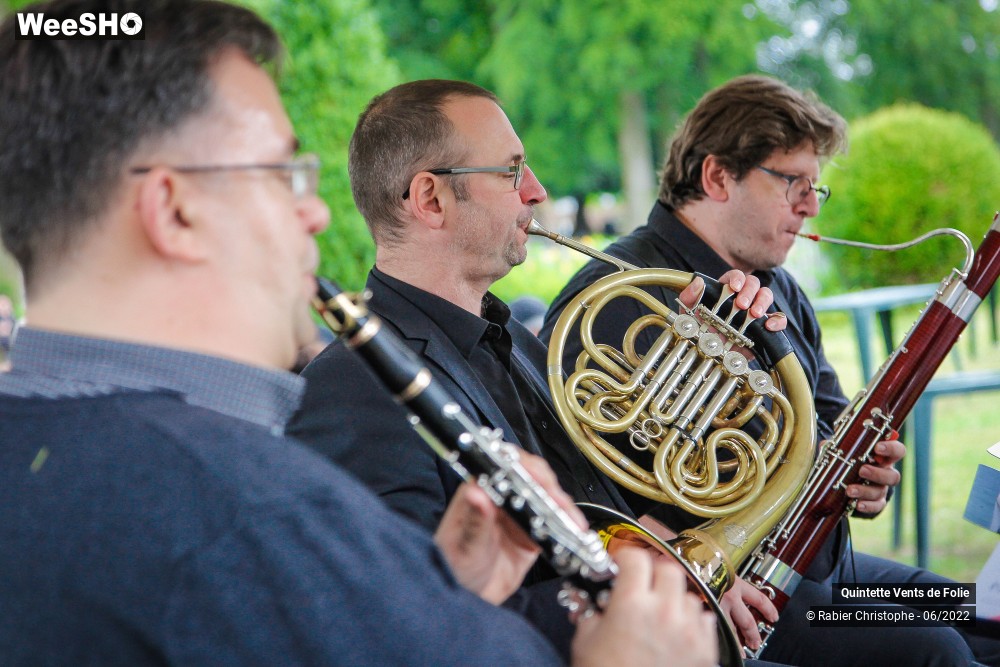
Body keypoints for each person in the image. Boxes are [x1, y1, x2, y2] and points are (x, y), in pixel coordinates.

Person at [0, 1, 720, 665]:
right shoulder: (260, 510)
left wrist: (438, 593)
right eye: (284, 172)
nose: (316, 213)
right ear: (174, 210)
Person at [289, 78, 787, 665]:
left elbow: (602, 509)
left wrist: (709, 379)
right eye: (511, 171)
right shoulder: (354, 387)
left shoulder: (518, 341)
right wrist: (648, 588)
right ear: (431, 198)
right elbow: (404, 624)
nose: (537, 191)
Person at [540, 74, 1000, 667]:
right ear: (717, 177)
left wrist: (866, 477)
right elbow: (568, 486)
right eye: (793, 183)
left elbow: (830, 427)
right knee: (934, 652)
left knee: (982, 613)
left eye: (816, 187)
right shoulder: (619, 292)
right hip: (731, 591)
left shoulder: (778, 288)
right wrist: (685, 562)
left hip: (819, 568)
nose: (810, 204)